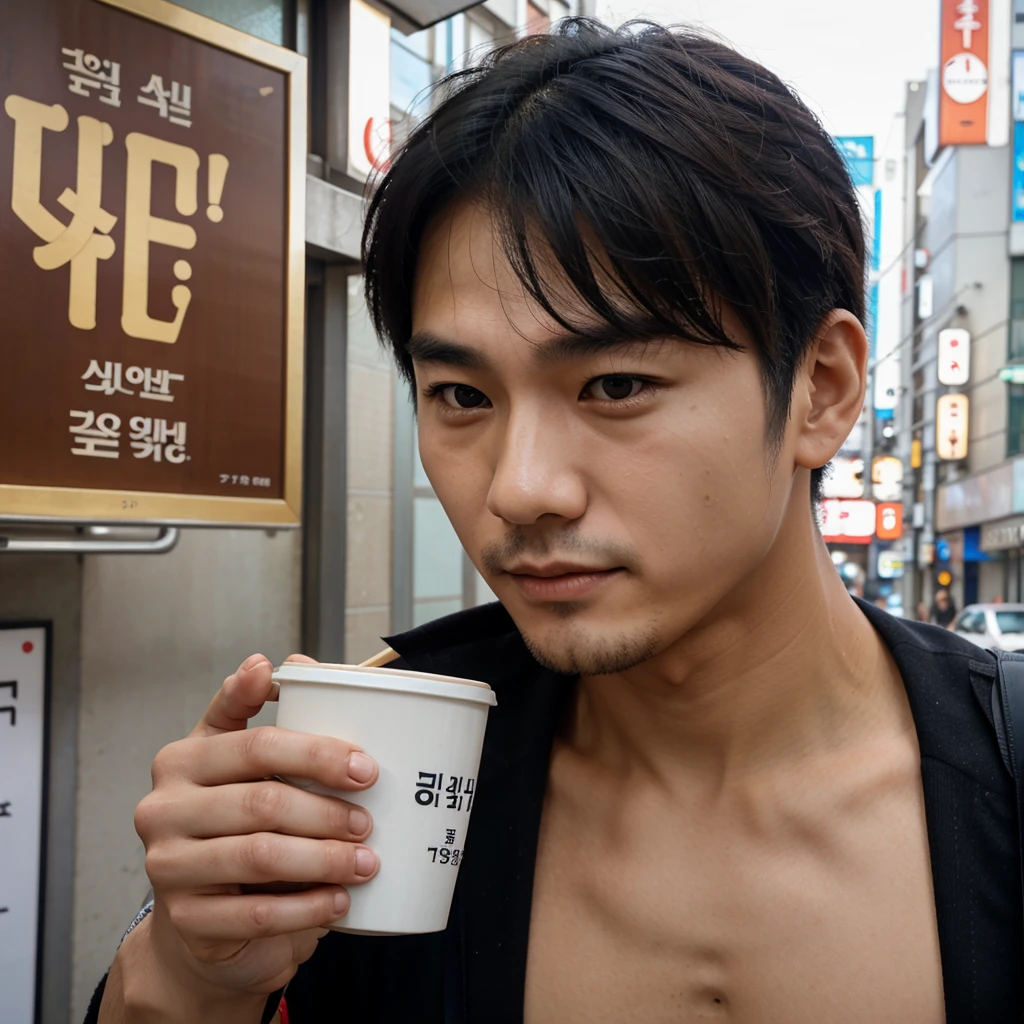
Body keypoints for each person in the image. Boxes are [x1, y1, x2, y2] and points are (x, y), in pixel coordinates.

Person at [89, 20, 1020, 1023]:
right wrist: (187, 977)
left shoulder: (999, 774)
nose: (520, 489)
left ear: (821, 389)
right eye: (460, 395)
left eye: (615, 384)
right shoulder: (374, 794)